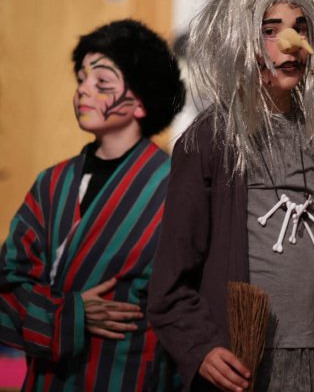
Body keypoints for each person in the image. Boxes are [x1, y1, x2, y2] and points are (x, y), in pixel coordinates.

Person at [147, 0, 314, 392]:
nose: (292, 42)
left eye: (300, 27)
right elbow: (170, 283)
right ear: (239, 38)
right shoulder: (210, 141)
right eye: (270, 29)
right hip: (248, 363)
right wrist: (202, 348)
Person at [0, 19, 185, 391]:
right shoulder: (52, 183)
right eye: (81, 79)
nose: (83, 90)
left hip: (131, 376)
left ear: (140, 103)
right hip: (49, 378)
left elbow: (188, 300)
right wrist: (71, 314)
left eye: (101, 83)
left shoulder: (173, 188)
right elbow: (8, 284)